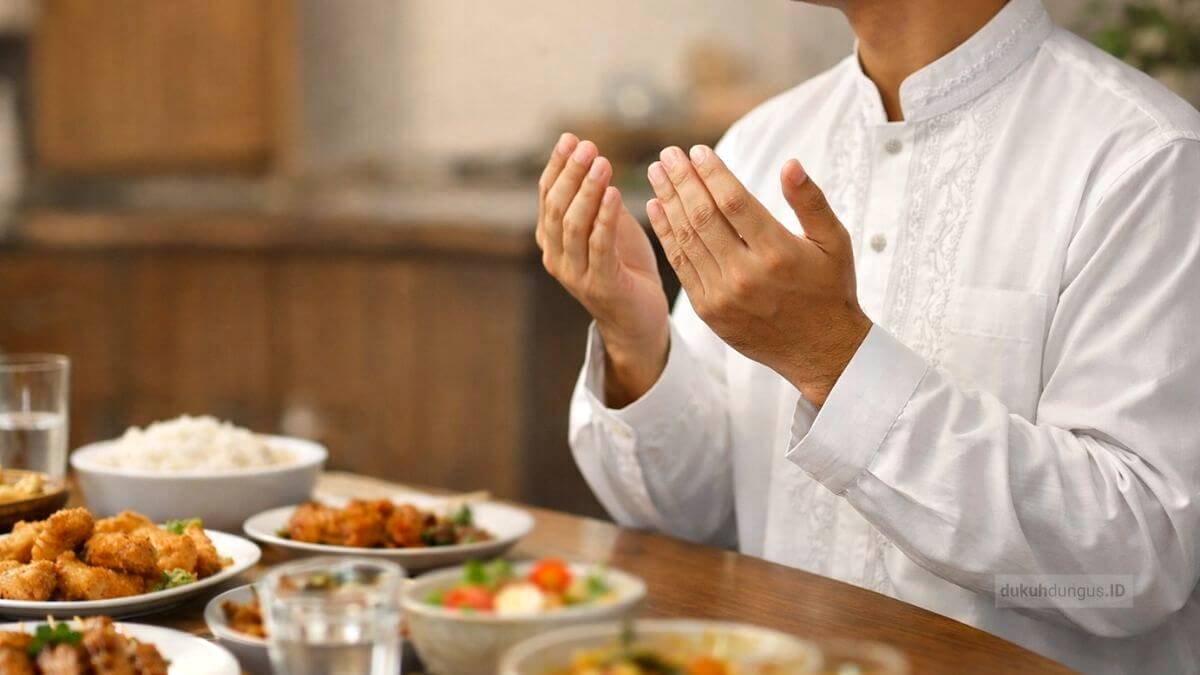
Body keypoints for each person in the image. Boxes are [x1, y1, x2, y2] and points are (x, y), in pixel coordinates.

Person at [534, 0, 1200, 672]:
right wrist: (636, 345)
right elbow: (694, 515)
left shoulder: (1144, 159)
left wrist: (833, 358)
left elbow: (1135, 566)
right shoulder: (761, 143)